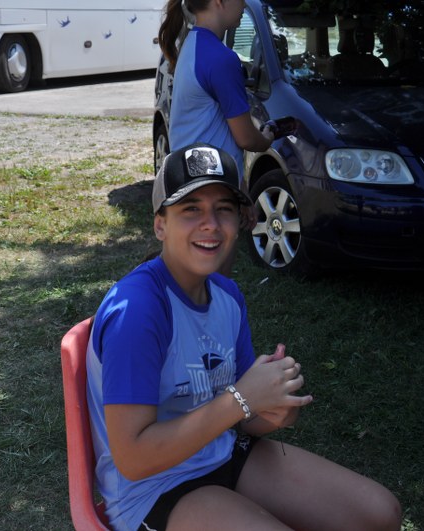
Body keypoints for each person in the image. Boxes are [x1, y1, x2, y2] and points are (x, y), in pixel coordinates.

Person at [86, 142, 402, 531]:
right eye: (191, 209)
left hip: (221, 453)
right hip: (153, 489)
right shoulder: (138, 311)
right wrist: (241, 399)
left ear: (240, 221)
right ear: (160, 225)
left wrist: (274, 407)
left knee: (380, 514)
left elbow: (245, 419)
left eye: (224, 209)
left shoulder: (227, 295)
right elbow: (133, 459)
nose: (210, 224)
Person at [159, 0, 283, 275]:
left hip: (190, 182)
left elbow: (216, 133)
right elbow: (245, 138)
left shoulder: (192, 45)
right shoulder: (222, 58)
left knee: (192, 281)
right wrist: (266, 137)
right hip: (212, 190)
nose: (244, 4)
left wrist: (242, 193)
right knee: (212, 283)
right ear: (219, 1)